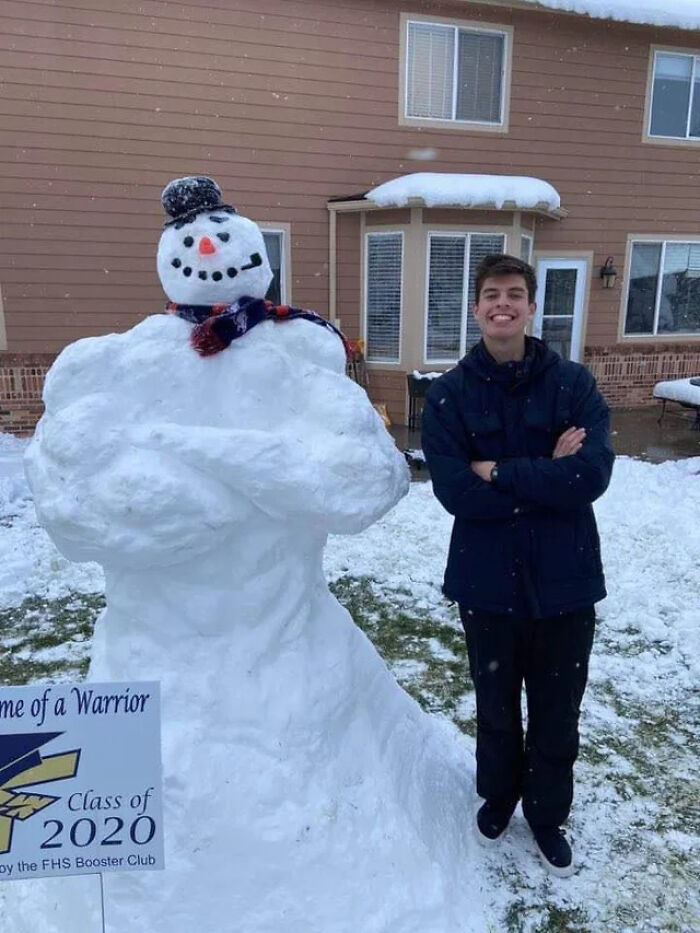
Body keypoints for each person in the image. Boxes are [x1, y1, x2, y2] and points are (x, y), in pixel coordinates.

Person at [421, 254, 614, 877]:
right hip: (487, 581)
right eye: (490, 294)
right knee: (496, 704)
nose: (502, 304)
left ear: (532, 307)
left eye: (514, 294)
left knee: (559, 711)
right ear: (476, 308)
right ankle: (499, 797)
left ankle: (548, 814)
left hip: (566, 580)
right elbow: (454, 490)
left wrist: (500, 469)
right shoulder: (449, 394)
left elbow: (591, 475)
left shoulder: (574, 385)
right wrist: (545, 470)